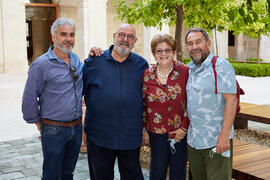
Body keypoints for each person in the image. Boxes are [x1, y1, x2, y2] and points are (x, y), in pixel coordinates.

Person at [83, 24, 149, 180]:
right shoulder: (94, 62)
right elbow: (78, 93)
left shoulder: (142, 65)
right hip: (99, 135)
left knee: (132, 176)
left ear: (135, 41)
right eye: (121, 35)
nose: (125, 39)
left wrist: (145, 128)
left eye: (130, 36)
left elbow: (148, 99)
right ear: (114, 36)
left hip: (130, 135)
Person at [22, 18, 83, 180]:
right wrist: (39, 124)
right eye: (63, 34)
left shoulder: (77, 60)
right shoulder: (41, 65)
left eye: (72, 35)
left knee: (68, 173)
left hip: (76, 129)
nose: (68, 39)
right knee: (51, 175)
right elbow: (29, 99)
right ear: (53, 37)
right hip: (54, 130)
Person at [185, 28, 237, 180]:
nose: (194, 47)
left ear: (208, 43)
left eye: (198, 42)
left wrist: (225, 136)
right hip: (194, 141)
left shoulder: (220, 65)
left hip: (216, 140)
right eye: (190, 43)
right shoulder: (189, 68)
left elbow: (231, 101)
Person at [142, 34, 189, 180]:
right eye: (159, 51)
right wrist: (144, 129)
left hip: (179, 133)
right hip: (156, 133)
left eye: (167, 50)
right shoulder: (147, 75)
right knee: (156, 172)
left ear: (174, 52)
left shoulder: (185, 72)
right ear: (154, 54)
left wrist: (184, 127)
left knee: (178, 173)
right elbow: (143, 104)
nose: (163, 54)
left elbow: (191, 102)